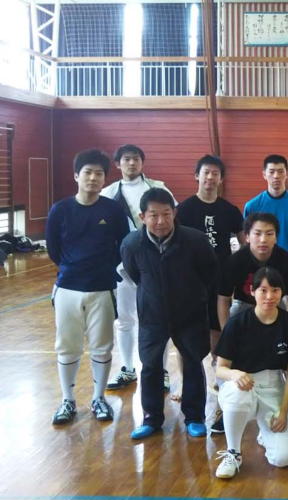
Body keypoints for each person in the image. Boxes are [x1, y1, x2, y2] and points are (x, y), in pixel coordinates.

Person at [121, 188, 218, 439]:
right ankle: (151, 418)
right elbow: (135, 275)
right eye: (153, 215)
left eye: (166, 214)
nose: (161, 221)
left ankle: (194, 417)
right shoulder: (132, 244)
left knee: (193, 362)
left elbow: (209, 275)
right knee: (150, 366)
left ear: (174, 213)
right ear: (142, 217)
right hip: (152, 316)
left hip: (190, 314)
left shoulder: (196, 241)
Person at [46, 149, 129, 425]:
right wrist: (72, 268)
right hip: (67, 288)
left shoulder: (113, 210)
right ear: (76, 176)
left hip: (103, 288)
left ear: (105, 178)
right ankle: (67, 400)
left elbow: (123, 245)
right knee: (66, 346)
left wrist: (104, 268)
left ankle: (98, 398)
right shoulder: (60, 210)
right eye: (88, 173)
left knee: (102, 347)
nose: (93, 178)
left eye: (99, 174)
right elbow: (53, 249)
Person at [216, 212, 288, 431]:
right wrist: (226, 334)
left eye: (269, 234)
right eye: (257, 233)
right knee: (226, 361)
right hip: (244, 307)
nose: (263, 239)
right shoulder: (234, 261)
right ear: (247, 236)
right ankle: (227, 408)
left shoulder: (286, 261)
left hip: (275, 306)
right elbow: (223, 300)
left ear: (276, 237)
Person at [213, 267, 288, 479]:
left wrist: (284, 411)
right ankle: (233, 452)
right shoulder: (237, 323)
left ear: (282, 292)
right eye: (263, 290)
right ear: (252, 291)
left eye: (275, 290)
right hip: (241, 385)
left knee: (284, 458)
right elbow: (220, 368)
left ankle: (265, 434)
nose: (269, 296)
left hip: (274, 386)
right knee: (237, 394)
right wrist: (235, 375)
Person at [101, 144, 175, 392]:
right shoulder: (109, 193)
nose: (131, 163)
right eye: (126, 159)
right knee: (124, 319)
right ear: (117, 164)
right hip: (122, 265)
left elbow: (172, 220)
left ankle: (161, 371)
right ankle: (128, 368)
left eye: (135, 159)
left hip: (154, 264)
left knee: (158, 318)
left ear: (142, 162)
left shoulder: (157, 188)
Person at [177, 155, 244, 349]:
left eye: (215, 173)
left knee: (217, 327)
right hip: (191, 279)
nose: (210, 177)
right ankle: (189, 368)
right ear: (197, 175)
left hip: (219, 278)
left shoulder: (229, 210)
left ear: (221, 179)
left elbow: (244, 243)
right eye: (206, 172)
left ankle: (218, 365)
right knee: (188, 330)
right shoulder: (182, 210)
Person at [243, 154, 288, 253]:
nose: (276, 176)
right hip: (260, 259)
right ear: (264, 175)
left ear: (287, 174)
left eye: (280, 172)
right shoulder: (251, 206)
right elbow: (247, 239)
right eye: (271, 172)